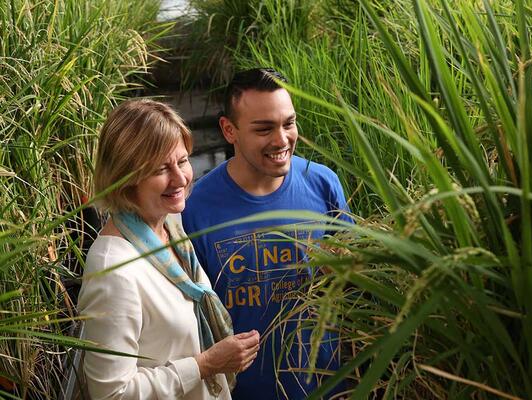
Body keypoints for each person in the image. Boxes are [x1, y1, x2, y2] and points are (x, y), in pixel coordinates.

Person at [182, 68, 352, 399]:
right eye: (264, 129)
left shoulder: (323, 184)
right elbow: (191, 318)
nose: (281, 139)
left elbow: (355, 283)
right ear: (229, 130)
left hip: (327, 384)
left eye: (288, 123)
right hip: (242, 392)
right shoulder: (195, 209)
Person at [78, 99, 260, 400]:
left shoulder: (169, 227)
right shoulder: (113, 270)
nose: (180, 179)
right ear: (126, 177)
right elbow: (110, 394)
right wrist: (205, 364)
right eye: (161, 168)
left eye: (183, 160)